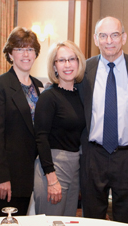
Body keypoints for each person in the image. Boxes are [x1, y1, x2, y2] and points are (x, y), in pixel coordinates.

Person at [77, 16, 128, 224]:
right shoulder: (83, 71)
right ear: (96, 39)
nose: (109, 41)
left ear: (124, 37)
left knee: (127, 220)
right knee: (92, 220)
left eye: (114, 35)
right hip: (94, 156)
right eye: (103, 36)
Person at [0, 27, 43, 217]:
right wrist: (1, 177)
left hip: (28, 176)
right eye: (19, 49)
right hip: (5, 178)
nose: (26, 54)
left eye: (30, 49)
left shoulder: (39, 87)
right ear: (10, 54)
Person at [34, 40, 86, 216]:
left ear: (79, 62)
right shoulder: (49, 97)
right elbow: (40, 137)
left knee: (68, 220)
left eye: (72, 59)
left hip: (74, 166)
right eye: (61, 60)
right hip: (54, 165)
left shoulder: (80, 96)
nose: (68, 64)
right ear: (54, 66)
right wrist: (51, 177)